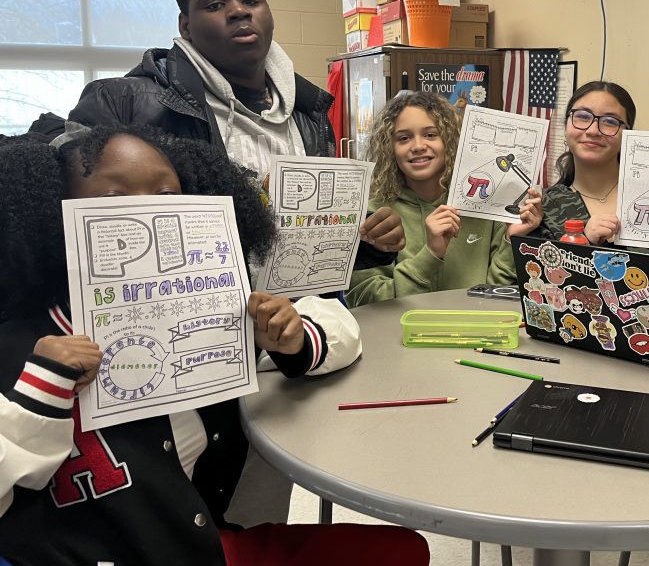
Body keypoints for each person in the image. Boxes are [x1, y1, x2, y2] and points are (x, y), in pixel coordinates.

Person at [0, 126, 429, 565]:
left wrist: (292, 337)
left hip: (202, 545)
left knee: (404, 550)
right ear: (52, 213)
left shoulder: (207, 307)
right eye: (113, 200)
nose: (149, 215)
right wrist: (40, 390)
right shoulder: (17, 336)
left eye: (168, 197)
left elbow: (338, 329)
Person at [65, 0, 404, 264]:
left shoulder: (308, 112)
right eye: (214, 5)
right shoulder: (124, 103)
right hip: (193, 314)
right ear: (186, 26)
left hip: (295, 318)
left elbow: (309, 242)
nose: (238, 10)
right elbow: (76, 238)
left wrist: (371, 241)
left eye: (251, 0)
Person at [345, 91, 537, 306]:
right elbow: (363, 300)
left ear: (450, 141)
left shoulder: (482, 204)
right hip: (398, 335)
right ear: (390, 148)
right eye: (404, 138)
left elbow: (497, 293)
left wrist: (512, 240)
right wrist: (430, 254)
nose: (418, 146)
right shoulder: (376, 214)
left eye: (430, 135)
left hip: (475, 331)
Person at [533, 80, 636, 244]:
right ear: (566, 128)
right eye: (582, 117)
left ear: (628, 135)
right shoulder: (543, 209)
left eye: (610, 121)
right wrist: (584, 242)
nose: (593, 130)